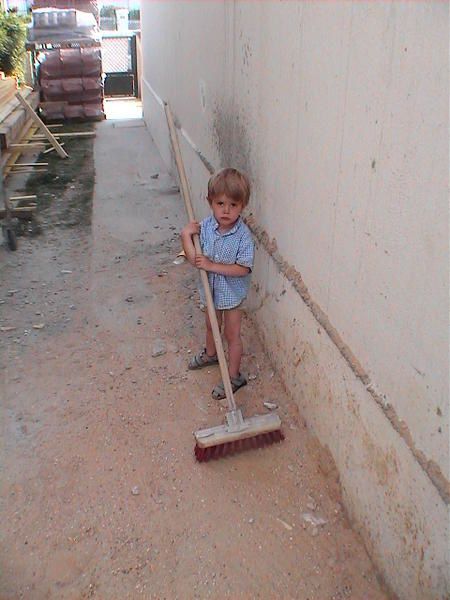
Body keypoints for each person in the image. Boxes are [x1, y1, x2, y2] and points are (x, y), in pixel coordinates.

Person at [181, 168, 254, 400]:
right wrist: (186, 236)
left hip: (231, 296)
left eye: (233, 205)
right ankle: (211, 354)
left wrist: (212, 266)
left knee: (232, 335)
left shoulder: (243, 236)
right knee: (212, 326)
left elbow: (243, 268)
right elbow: (196, 261)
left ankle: (233, 376)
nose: (225, 210)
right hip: (210, 291)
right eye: (220, 203)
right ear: (210, 202)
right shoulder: (205, 228)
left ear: (242, 206)